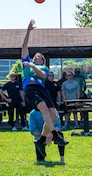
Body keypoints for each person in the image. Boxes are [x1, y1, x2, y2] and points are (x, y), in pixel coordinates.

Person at [21, 19, 68, 159]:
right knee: (43, 108)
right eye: (36, 56)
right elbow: (24, 45)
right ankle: (56, 135)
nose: (37, 56)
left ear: (43, 61)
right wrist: (28, 31)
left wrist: (33, 67)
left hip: (42, 90)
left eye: (40, 57)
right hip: (30, 89)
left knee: (53, 115)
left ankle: (41, 141)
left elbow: (41, 75)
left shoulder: (43, 68)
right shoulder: (26, 63)